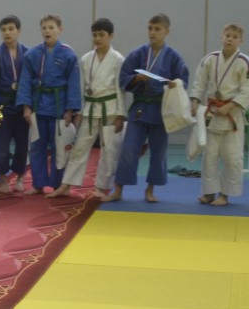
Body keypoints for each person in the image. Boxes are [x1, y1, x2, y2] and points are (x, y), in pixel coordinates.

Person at [104, 13, 189, 203]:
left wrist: (175, 85)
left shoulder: (174, 57)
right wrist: (135, 79)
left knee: (158, 152)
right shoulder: (138, 54)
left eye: (157, 29)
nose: (152, 32)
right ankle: (118, 189)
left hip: (161, 110)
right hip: (140, 108)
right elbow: (123, 78)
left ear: (166, 31)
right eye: (150, 28)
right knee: (129, 148)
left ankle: (150, 189)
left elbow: (183, 80)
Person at [49, 18, 126, 199]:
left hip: (110, 109)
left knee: (109, 150)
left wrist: (121, 115)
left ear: (111, 36)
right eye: (95, 35)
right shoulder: (86, 59)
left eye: (101, 35)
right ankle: (66, 185)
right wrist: (78, 111)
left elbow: (120, 89)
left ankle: (101, 187)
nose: (97, 39)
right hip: (90, 108)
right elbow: (81, 87)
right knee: (79, 147)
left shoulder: (118, 59)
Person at [17, 14, 81, 195]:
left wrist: (70, 110)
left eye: (51, 27)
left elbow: (74, 84)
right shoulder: (32, 54)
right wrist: (26, 107)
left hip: (59, 107)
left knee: (59, 147)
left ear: (60, 29)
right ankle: (38, 184)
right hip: (38, 106)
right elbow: (25, 81)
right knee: (37, 146)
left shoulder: (68, 54)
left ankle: (57, 184)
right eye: (44, 28)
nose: (47, 31)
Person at [188, 24, 248, 207]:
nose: (230, 39)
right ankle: (209, 193)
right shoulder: (210, 59)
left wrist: (230, 106)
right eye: (227, 35)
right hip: (213, 113)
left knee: (231, 156)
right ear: (222, 37)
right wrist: (195, 101)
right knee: (210, 155)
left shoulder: (244, 62)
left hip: (233, 115)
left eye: (234, 37)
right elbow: (199, 82)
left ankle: (225, 194)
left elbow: (247, 90)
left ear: (241, 41)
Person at [0, 15, 29, 193]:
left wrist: (28, 106)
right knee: (1, 147)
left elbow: (30, 82)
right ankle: (3, 178)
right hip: (3, 107)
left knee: (22, 145)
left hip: (21, 106)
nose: (7, 33)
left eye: (11, 29)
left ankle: (20, 177)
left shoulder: (28, 53)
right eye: (4, 30)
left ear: (18, 30)